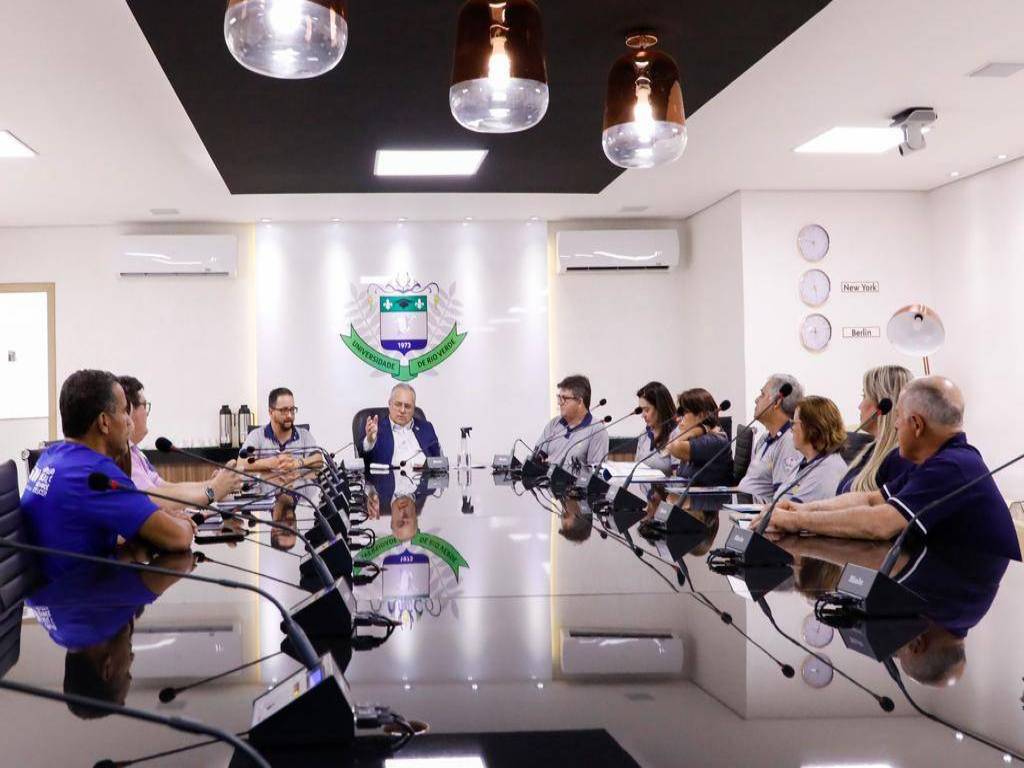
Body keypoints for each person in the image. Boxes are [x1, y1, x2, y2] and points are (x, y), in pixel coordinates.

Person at [752, 377, 1022, 561]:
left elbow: (880, 523)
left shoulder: (954, 466)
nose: (894, 425)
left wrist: (794, 521)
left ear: (917, 425)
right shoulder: (939, 459)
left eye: (899, 419)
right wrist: (800, 510)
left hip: (964, 598)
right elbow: (872, 499)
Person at [21, 370, 196, 580]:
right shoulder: (96, 474)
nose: (129, 422)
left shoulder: (50, 456)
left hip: (52, 590)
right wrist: (187, 523)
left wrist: (158, 518)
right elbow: (178, 538)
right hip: (82, 594)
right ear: (104, 422)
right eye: (124, 412)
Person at [117, 376, 242, 511]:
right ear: (129, 411)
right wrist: (213, 490)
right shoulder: (122, 457)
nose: (147, 413)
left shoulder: (135, 452)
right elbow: (153, 500)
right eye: (144, 406)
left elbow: (166, 488)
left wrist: (213, 484)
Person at [836, 365, 915, 495]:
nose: (859, 406)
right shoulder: (872, 449)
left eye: (864, 396)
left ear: (883, 404)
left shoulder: (900, 458)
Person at [737, 374, 805, 500]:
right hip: (742, 506)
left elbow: (782, 500)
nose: (756, 400)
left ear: (777, 402)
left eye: (762, 394)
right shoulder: (764, 438)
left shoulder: (789, 442)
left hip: (758, 511)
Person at [770, 396, 849, 504]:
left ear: (810, 428)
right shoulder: (804, 462)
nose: (791, 429)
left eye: (793, 423)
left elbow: (793, 511)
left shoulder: (826, 471)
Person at [240, 387, 322, 489]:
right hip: (267, 495)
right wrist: (270, 463)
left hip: (298, 494)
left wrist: (298, 463)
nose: (289, 415)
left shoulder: (304, 434)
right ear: (271, 412)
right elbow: (241, 463)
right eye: (284, 410)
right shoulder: (256, 435)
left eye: (292, 409)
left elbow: (319, 460)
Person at [534, 375, 609, 467]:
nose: (559, 403)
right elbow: (537, 457)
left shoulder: (597, 430)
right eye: (559, 397)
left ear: (579, 402)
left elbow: (595, 472)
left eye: (564, 398)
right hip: (546, 476)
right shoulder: (554, 424)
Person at [665, 388, 734, 486]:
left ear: (701, 415)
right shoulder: (696, 438)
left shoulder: (715, 440)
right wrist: (700, 430)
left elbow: (672, 447)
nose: (678, 419)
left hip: (707, 496)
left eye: (684, 413)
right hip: (690, 493)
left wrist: (695, 431)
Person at [361, 384, 442, 467]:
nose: (402, 410)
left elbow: (438, 461)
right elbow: (365, 457)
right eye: (398, 404)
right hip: (391, 474)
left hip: (425, 474)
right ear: (390, 404)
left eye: (407, 406)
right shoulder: (376, 429)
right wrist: (370, 441)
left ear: (414, 408)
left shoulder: (426, 428)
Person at [633, 382, 678, 475]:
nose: (642, 415)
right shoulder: (644, 434)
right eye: (641, 410)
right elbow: (636, 471)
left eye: (647, 410)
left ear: (660, 408)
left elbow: (678, 479)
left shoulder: (677, 434)